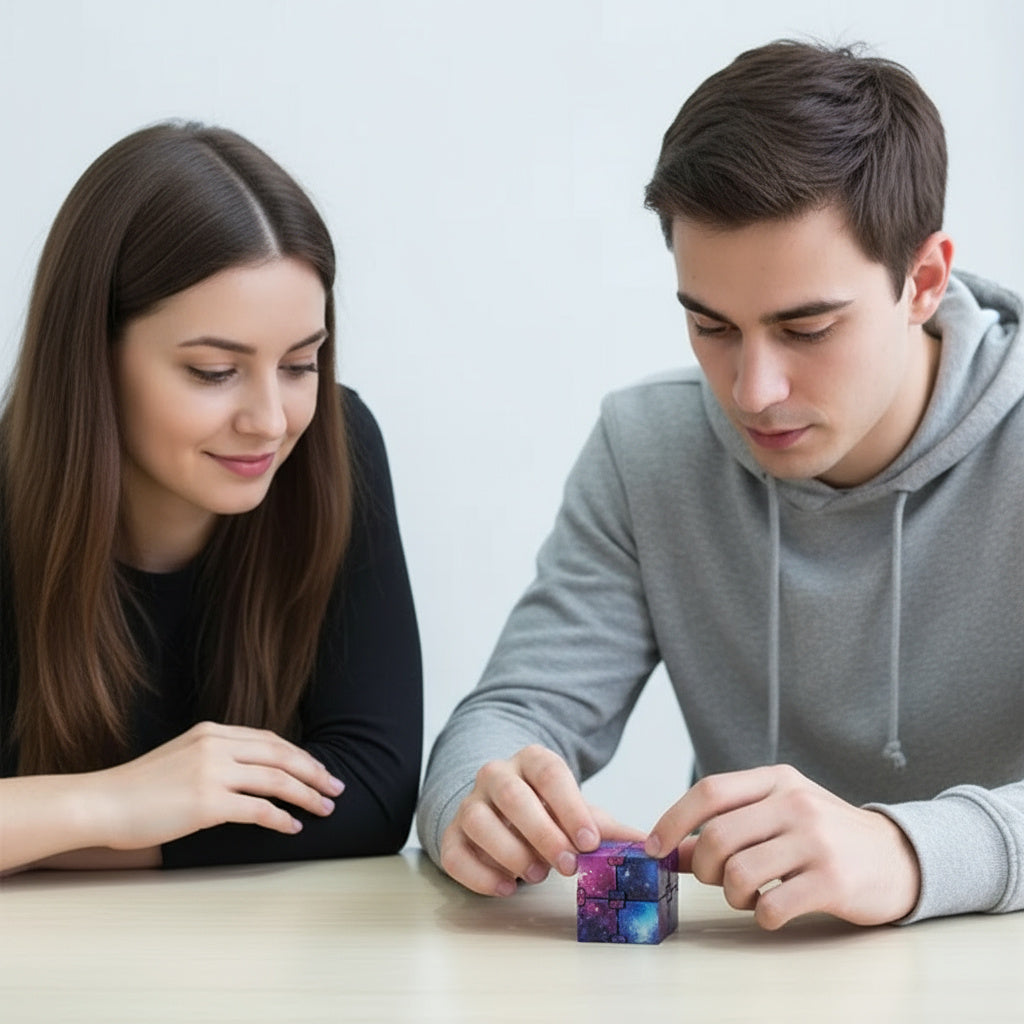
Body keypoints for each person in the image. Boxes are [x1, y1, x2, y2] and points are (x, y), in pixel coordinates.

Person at [417, 40, 1024, 929]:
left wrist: (903, 852)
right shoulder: (647, 448)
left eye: (807, 328)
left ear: (923, 280)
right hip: (745, 977)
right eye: (711, 326)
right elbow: (518, 709)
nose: (752, 391)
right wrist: (477, 797)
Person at [0, 122, 422, 874]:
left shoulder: (336, 442)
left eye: (300, 363)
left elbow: (373, 794)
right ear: (93, 357)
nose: (270, 420)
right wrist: (114, 804)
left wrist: (43, 833)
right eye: (212, 371)